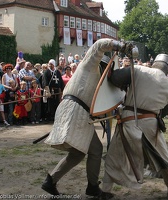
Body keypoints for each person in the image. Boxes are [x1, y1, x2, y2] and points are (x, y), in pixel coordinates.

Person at [41, 38, 125, 198]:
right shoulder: (89, 66)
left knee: (78, 153)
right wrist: (118, 46)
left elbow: (99, 107)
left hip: (77, 112)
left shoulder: (98, 81)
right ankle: (92, 187)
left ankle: (51, 181)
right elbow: (99, 45)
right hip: (75, 110)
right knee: (95, 150)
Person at [102, 53, 168, 200]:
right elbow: (163, 112)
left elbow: (115, 78)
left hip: (128, 121)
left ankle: (105, 190)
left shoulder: (139, 70)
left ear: (154, 63)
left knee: (115, 155)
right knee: (162, 157)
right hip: (150, 124)